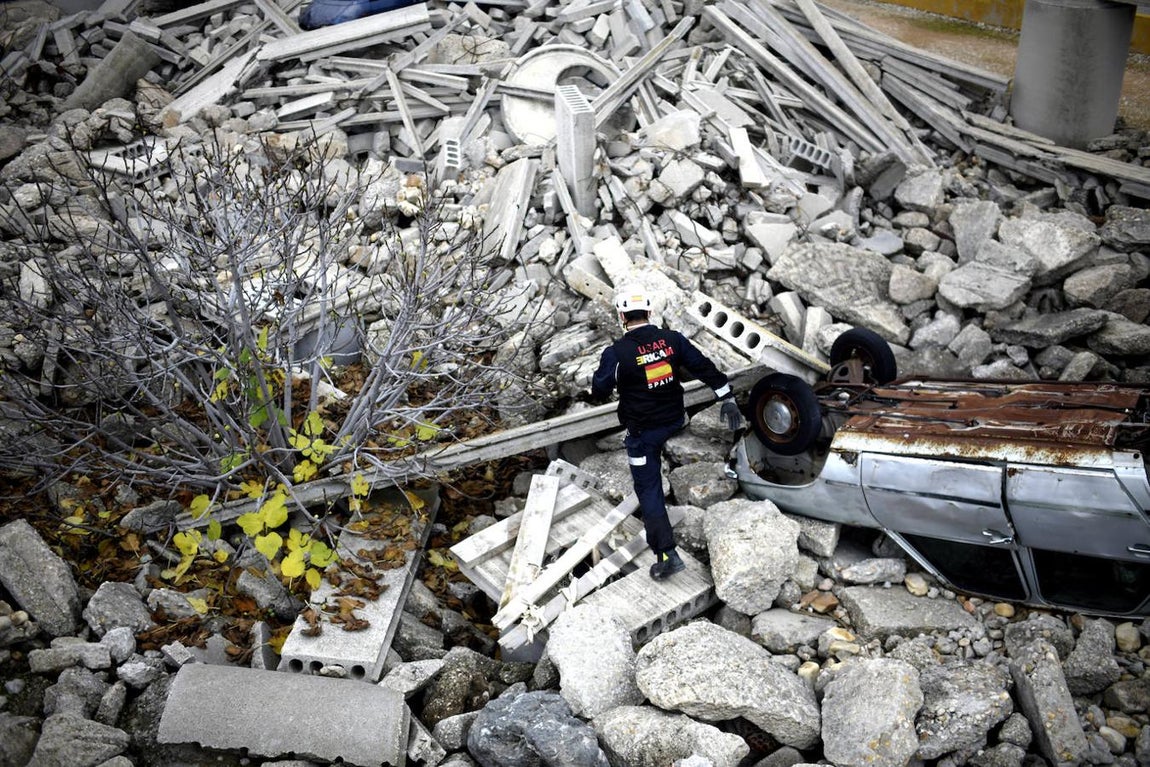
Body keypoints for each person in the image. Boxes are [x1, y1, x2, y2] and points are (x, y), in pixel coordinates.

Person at [588, 287, 743, 580]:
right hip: (674, 419)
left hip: (643, 434)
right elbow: (703, 366)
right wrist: (727, 397)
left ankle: (666, 554)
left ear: (622, 317)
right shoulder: (672, 340)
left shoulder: (617, 353)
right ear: (649, 313)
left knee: (649, 491)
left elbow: (599, 390)